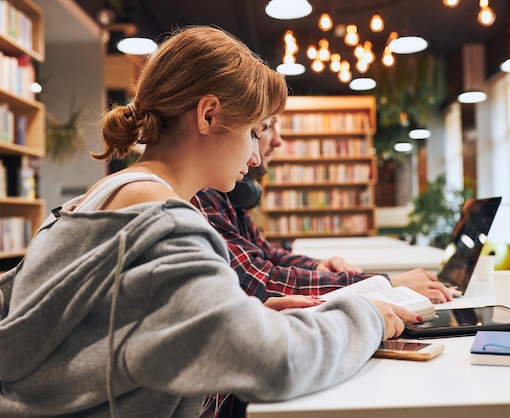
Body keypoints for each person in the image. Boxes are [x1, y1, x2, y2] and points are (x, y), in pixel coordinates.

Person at [0, 26, 418, 418]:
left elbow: (134, 345)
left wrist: (245, 317)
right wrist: (366, 315)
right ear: (209, 116)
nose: (255, 157)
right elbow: (275, 364)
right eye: (254, 132)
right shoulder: (164, 222)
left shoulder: (92, 204)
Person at [191, 116, 454, 304]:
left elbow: (265, 256)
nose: (276, 142)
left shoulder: (223, 195)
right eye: (261, 129)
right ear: (209, 116)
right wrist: (382, 285)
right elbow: (259, 281)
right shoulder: (198, 195)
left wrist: (318, 266)